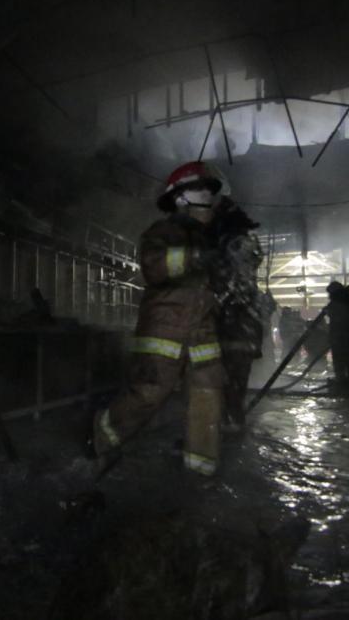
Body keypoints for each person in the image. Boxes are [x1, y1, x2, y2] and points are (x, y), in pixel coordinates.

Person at [92, 161, 226, 476]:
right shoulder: (162, 232)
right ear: (178, 197)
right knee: (149, 394)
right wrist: (195, 257)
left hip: (203, 331)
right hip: (165, 328)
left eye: (209, 188)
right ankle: (101, 435)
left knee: (208, 395)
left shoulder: (211, 237)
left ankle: (200, 470)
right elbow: (154, 268)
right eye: (199, 187)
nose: (207, 193)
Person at [208, 198, 265, 432]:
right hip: (244, 326)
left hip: (232, 325)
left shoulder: (234, 244)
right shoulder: (248, 243)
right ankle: (232, 420)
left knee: (228, 379)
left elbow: (230, 285)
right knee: (235, 380)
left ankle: (228, 424)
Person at [326, 281, 349, 394]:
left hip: (340, 336)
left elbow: (339, 320)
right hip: (346, 336)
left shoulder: (338, 304)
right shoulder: (346, 301)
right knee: (348, 359)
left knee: (341, 360)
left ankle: (344, 382)